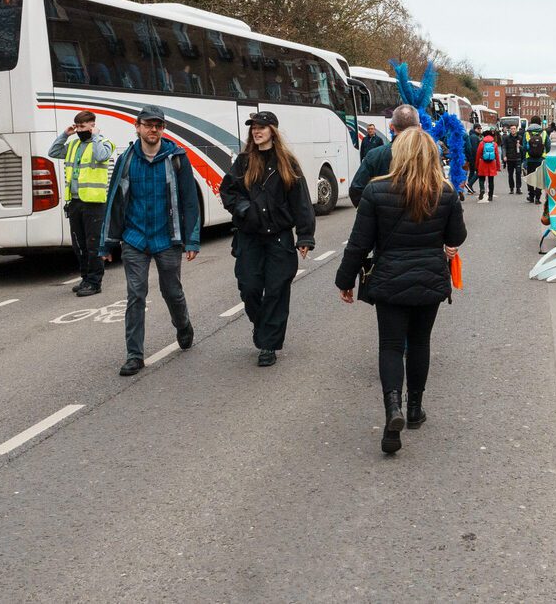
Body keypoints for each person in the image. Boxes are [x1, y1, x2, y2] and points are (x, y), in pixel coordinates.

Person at [335, 129, 467, 456]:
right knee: (420, 343)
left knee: (391, 346)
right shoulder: (445, 192)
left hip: (390, 279)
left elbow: (359, 242)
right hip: (430, 278)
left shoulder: (376, 190)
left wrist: (345, 279)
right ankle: (414, 410)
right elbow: (457, 236)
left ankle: (392, 407)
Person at [100, 106, 200, 376]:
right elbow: (114, 201)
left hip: (167, 237)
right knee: (136, 295)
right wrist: (107, 243)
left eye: (158, 125)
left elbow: (190, 201)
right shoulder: (127, 159)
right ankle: (134, 355)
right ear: (137, 127)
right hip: (134, 238)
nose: (152, 129)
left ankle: (183, 325)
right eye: (147, 124)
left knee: (172, 291)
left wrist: (191, 240)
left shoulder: (176, 158)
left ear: (163, 129)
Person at [219, 110, 315, 368]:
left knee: (276, 292)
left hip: (279, 239)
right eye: (253, 128)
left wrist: (305, 235)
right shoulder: (243, 162)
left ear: (273, 130)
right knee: (249, 288)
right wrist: (242, 209)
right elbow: (227, 190)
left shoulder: (287, 163)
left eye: (261, 127)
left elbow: (301, 201)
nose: (256, 131)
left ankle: (268, 344)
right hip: (249, 237)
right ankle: (261, 327)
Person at [48, 111, 116, 298]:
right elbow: (53, 152)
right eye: (77, 127)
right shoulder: (73, 145)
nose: (79, 130)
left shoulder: (104, 143)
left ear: (92, 126)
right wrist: (65, 134)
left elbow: (101, 156)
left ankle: (95, 282)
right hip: (76, 202)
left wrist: (95, 137)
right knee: (79, 245)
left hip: (94, 202)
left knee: (93, 244)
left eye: (83, 127)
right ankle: (86, 278)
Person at [351, 104, 421, 207]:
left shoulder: (374, 155)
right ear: (419, 127)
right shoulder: (430, 155)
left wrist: (372, 212)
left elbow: (356, 189)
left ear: (391, 126)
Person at [522, 118, 549, 205]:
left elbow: (524, 147)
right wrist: (544, 153)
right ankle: (537, 198)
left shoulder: (527, 133)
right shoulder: (544, 133)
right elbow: (548, 146)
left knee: (530, 177)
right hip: (541, 159)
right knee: (539, 178)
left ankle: (531, 196)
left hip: (529, 159)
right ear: (539, 123)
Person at [473, 128, 501, 202]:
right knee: (491, 180)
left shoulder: (482, 143)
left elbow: (478, 155)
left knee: (481, 178)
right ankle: (490, 196)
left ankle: (482, 189)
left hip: (483, 163)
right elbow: (497, 156)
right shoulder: (494, 144)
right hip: (492, 164)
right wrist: (498, 166)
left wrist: (476, 166)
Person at [501, 122, 524, 195]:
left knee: (518, 173)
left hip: (518, 158)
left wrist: (520, 146)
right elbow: (504, 147)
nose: (513, 130)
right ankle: (511, 188)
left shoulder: (520, 138)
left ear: (516, 129)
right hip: (510, 159)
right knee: (510, 174)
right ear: (509, 130)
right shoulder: (506, 138)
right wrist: (504, 156)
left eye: (514, 129)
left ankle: (518, 188)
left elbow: (523, 148)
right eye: (511, 129)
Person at [464, 123, 482, 197]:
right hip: (474, 158)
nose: (480, 130)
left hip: (471, 158)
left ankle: (469, 188)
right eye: (479, 129)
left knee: (471, 172)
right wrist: (476, 159)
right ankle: (469, 184)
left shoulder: (472, 136)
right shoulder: (474, 137)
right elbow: (474, 149)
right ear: (475, 129)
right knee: (478, 172)